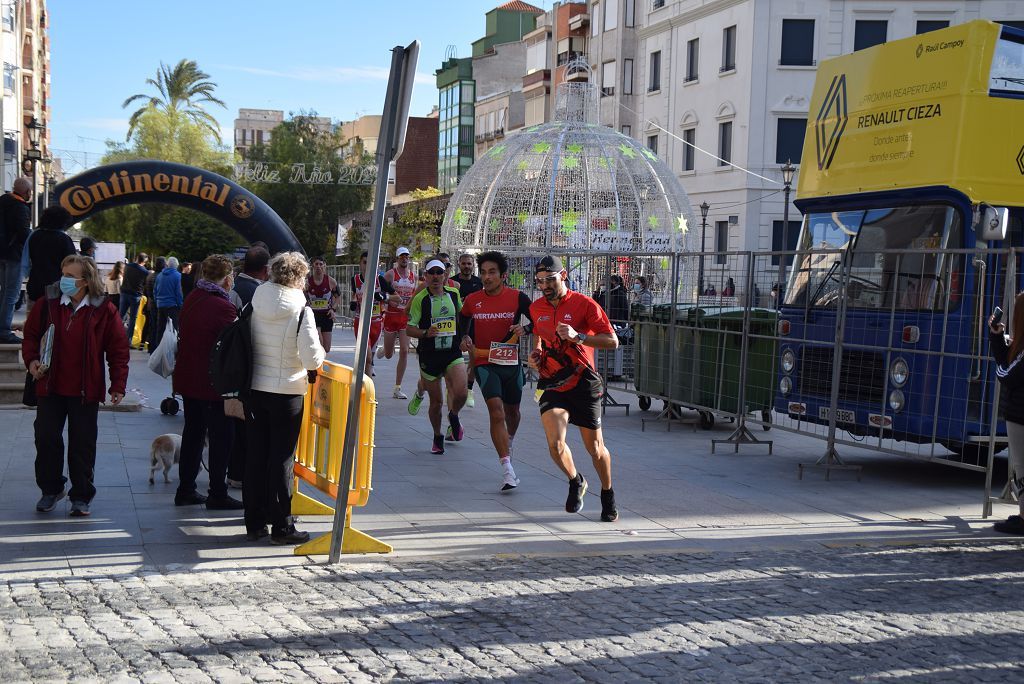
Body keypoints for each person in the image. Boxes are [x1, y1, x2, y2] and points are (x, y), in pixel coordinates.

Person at [23, 254, 129, 517]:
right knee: (45, 438)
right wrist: (32, 360)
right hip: (49, 384)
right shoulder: (47, 304)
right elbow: (30, 337)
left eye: (70, 277)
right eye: (63, 274)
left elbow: (118, 349)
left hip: (85, 388)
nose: (64, 281)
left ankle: (81, 495)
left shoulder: (104, 309)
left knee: (82, 444)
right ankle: (50, 489)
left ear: (85, 281)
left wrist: (118, 384)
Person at [528, 255, 620, 522]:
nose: (544, 285)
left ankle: (607, 492)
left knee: (595, 449)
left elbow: (612, 341)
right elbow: (539, 333)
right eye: (540, 281)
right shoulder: (536, 308)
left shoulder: (585, 304)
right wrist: (536, 352)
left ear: (563, 275)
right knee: (555, 444)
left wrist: (579, 336)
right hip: (553, 381)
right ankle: (575, 480)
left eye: (549, 279)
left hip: (584, 382)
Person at [246, 252, 326, 544]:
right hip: (287, 391)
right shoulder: (301, 308)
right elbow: (311, 356)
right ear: (299, 277)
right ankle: (281, 525)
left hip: (256, 387)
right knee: (282, 458)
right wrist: (322, 355)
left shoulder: (257, 297)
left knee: (256, 455)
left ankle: (254, 522)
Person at [172, 254, 243, 510]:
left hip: (189, 378)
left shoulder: (193, 297)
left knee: (193, 434)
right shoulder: (223, 307)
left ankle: (186, 489)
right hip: (212, 384)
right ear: (226, 279)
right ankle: (217, 492)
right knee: (222, 437)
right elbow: (233, 344)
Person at [459, 250, 533, 490]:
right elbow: (464, 319)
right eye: (483, 272)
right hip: (484, 362)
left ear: (503, 275)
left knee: (513, 412)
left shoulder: (518, 297)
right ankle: (507, 469)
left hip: (511, 363)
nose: (487, 277)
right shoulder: (473, 299)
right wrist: (464, 337)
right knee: (497, 412)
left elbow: (537, 320)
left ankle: (508, 441)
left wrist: (526, 330)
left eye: (492, 272)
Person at [406, 258, 468, 454]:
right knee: (437, 402)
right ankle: (437, 435)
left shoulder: (454, 293)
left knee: (461, 392)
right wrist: (425, 333)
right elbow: (409, 328)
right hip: (429, 355)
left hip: (452, 352)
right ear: (425, 276)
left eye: (439, 272)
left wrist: (466, 336)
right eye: (431, 272)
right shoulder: (420, 299)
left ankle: (454, 415)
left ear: (445, 275)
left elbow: (463, 315)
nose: (435, 276)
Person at [225, 244, 271, 491]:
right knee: (245, 426)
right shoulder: (257, 294)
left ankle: (234, 471)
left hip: (233, 363)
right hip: (248, 367)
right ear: (265, 270)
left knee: (236, 424)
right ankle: (240, 474)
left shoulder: (234, 287)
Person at [990, 297, 1024, 535]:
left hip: (1020, 415)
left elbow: (1005, 372)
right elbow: (1009, 359)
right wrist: (997, 338)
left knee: (1022, 467)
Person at [377, 246, 417, 400]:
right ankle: (383, 350)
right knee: (388, 355)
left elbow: (414, 296)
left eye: (406, 256)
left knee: (405, 351)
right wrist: (387, 299)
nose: (404, 259)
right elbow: (380, 291)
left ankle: (397, 388)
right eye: (401, 257)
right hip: (391, 316)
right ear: (397, 259)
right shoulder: (390, 274)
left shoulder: (413, 276)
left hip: (405, 317)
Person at [350, 251, 397, 376]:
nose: (367, 266)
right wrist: (353, 302)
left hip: (376, 323)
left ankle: (365, 387)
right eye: (365, 262)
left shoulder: (379, 280)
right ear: (360, 264)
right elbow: (355, 295)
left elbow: (398, 298)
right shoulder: (355, 280)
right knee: (368, 358)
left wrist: (383, 296)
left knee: (368, 359)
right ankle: (367, 391)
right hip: (360, 322)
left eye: (370, 263)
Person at [0, 177, 31, 343]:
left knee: (4, 292)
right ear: (26, 192)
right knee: (11, 295)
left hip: (2, 254)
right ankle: (4, 331)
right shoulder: (20, 207)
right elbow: (23, 233)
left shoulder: (3, 201)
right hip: (14, 255)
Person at [26, 206, 76, 305]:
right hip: (56, 288)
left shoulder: (34, 236)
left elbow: (26, 260)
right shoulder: (64, 240)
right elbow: (72, 265)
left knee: (35, 316)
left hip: (35, 284)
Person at [453, 252, 483, 407]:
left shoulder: (479, 282)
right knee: (453, 361)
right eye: (464, 263)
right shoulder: (452, 282)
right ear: (459, 264)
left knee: (474, 359)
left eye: (469, 264)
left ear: (473, 265)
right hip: (456, 326)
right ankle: (452, 388)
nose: (466, 266)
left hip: (474, 325)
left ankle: (469, 390)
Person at [306, 256, 342, 352]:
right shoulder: (307, 282)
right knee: (319, 342)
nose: (318, 266)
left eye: (321, 264)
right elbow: (302, 297)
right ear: (312, 266)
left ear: (324, 266)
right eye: (316, 264)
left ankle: (320, 362)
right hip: (313, 316)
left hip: (326, 316)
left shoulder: (331, 281)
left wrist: (333, 309)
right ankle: (317, 365)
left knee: (326, 348)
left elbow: (338, 297)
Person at [153, 256, 183, 351]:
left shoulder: (160, 275)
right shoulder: (178, 276)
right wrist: (180, 305)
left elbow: (155, 291)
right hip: (172, 306)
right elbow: (178, 293)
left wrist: (157, 300)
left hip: (160, 304)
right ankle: (172, 350)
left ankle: (159, 349)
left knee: (160, 328)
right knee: (173, 329)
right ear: (176, 266)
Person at [119, 253, 149, 346]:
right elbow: (145, 284)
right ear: (144, 262)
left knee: (120, 315)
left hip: (124, 293)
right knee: (133, 318)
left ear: (136, 258)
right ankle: (129, 340)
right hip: (135, 295)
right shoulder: (144, 271)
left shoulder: (127, 267)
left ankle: (115, 336)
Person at [142, 256, 165, 352]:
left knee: (151, 325)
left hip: (150, 303)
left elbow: (147, 291)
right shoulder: (161, 277)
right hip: (158, 303)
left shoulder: (150, 276)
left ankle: (150, 346)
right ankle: (156, 347)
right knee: (158, 325)